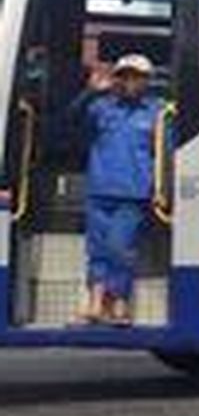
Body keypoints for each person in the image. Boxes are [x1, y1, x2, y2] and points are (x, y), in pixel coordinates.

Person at [68, 54, 166, 326]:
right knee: (97, 250)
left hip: (133, 193)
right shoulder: (101, 107)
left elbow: (165, 152)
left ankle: (120, 305)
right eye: (124, 75)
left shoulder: (158, 111)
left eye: (137, 76)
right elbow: (70, 119)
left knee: (120, 249)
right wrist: (90, 91)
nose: (130, 81)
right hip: (99, 190)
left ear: (147, 80)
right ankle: (95, 305)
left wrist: (162, 189)